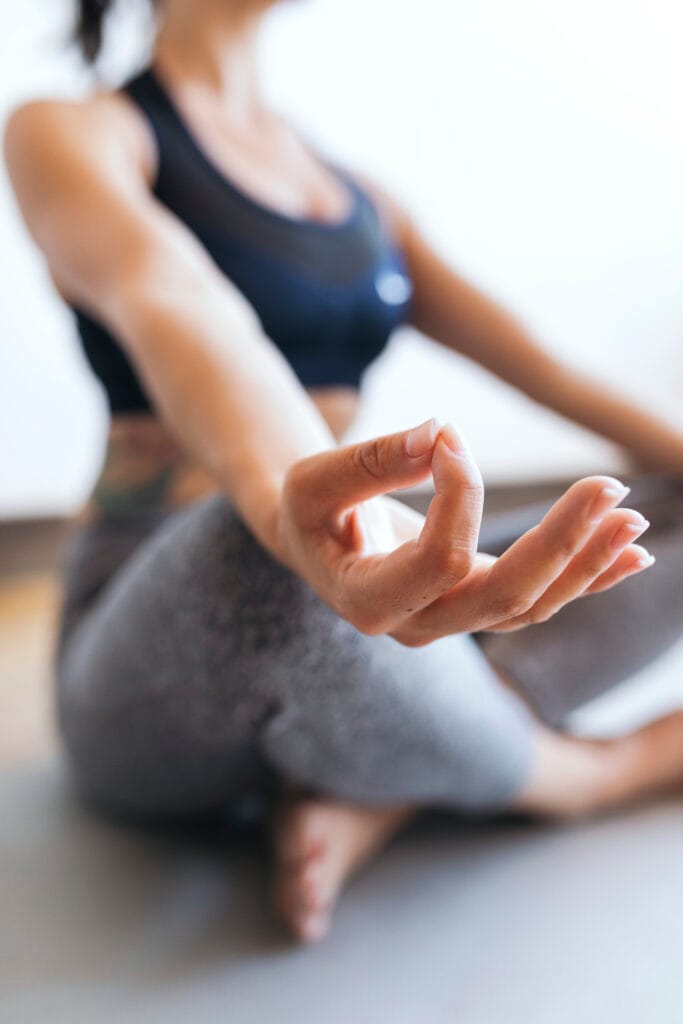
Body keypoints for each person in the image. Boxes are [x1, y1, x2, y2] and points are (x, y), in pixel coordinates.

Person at [5, 0, 683, 945]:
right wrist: (300, 523)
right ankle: (587, 773)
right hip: (164, 620)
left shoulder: (356, 195)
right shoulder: (76, 132)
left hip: (351, 561)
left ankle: (384, 784)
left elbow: (547, 369)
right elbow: (184, 309)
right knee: (261, 553)